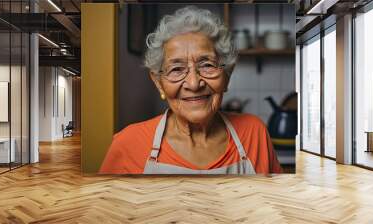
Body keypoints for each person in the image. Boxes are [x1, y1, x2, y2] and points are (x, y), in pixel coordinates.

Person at [99, 6, 282, 174]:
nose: (194, 84)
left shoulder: (254, 132)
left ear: (227, 75)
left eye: (207, 65)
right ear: (158, 82)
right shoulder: (128, 143)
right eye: (177, 69)